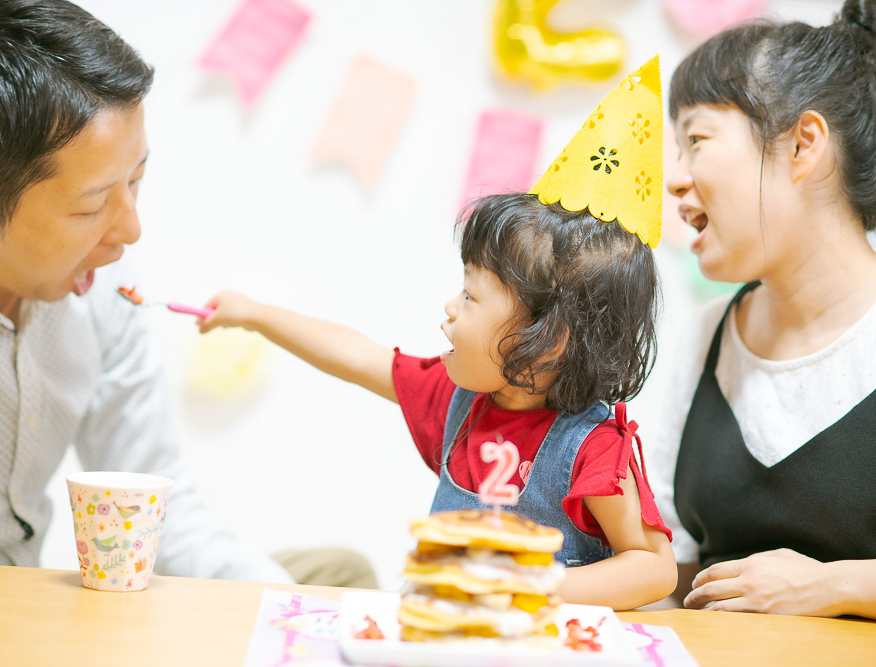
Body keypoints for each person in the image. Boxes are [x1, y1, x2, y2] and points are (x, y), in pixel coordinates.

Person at [0, 0, 375, 589]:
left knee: (341, 578)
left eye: (136, 181)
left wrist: (289, 612)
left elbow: (159, 511)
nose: (130, 230)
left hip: (54, 611)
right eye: (91, 206)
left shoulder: (102, 282)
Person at [197, 57, 677, 611]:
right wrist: (255, 313)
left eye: (471, 296)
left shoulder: (593, 449)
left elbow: (653, 568)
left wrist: (536, 587)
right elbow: (357, 355)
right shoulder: (457, 400)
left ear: (549, 340)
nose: (449, 309)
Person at [650, 0, 876, 618]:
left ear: (803, 145)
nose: (675, 179)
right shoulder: (706, 336)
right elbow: (672, 575)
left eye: (696, 139)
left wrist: (835, 587)